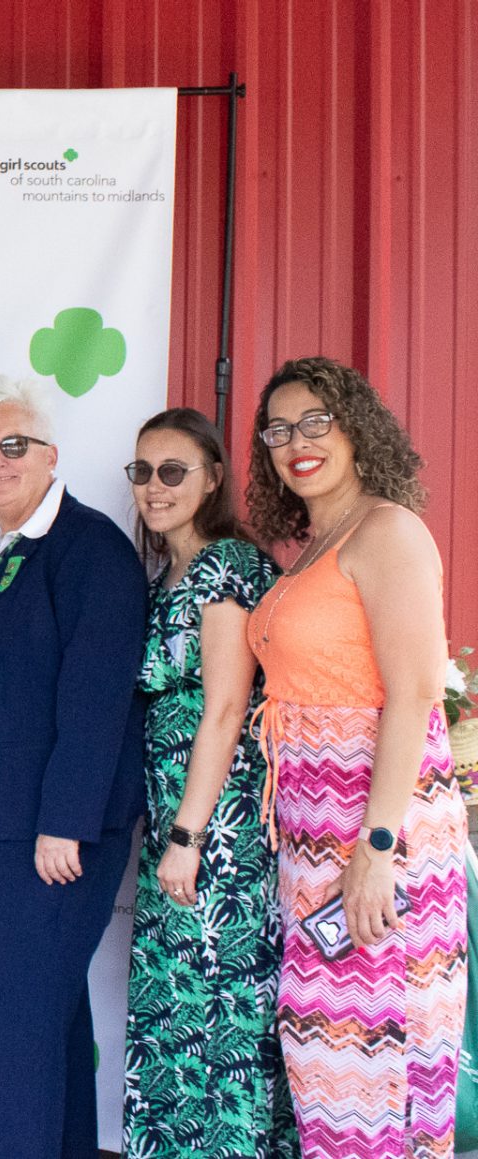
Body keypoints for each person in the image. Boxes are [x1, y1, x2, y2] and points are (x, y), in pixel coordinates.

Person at [0, 375, 146, 1159]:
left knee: (17, 1031)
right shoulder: (4, 548)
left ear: (52, 454)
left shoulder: (91, 550)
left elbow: (96, 698)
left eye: (15, 445)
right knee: (44, 1020)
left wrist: (64, 822)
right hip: (2, 823)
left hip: (47, 829)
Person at [244, 357, 465, 1158]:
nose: (296, 442)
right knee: (322, 1055)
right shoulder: (312, 546)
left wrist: (375, 849)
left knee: (379, 1061)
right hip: (312, 845)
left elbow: (413, 695)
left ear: (355, 426)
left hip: (376, 834)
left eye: (316, 421)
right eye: (278, 429)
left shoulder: (388, 531)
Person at [120, 407, 294, 1158]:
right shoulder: (170, 574)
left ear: (214, 477)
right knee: (177, 1011)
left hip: (216, 832)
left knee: (218, 1013)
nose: (154, 487)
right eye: (142, 471)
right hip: (178, 825)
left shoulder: (226, 565)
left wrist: (189, 835)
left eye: (173, 471)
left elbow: (225, 708)